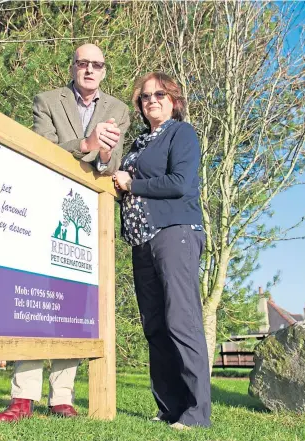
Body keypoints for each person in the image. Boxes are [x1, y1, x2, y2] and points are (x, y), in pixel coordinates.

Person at [0, 43, 130, 422]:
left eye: (97, 65)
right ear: (72, 67)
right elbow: (43, 147)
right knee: (35, 297)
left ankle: (62, 398)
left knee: (75, 305)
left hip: (87, 213)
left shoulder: (118, 110)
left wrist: (103, 155)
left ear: (105, 71)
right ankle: (23, 397)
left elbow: (111, 164)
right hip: (45, 202)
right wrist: (88, 144)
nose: (89, 70)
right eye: (83, 63)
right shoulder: (47, 100)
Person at [112, 72, 211, 429]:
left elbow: (180, 183)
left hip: (174, 233)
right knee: (155, 325)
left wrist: (132, 183)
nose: (151, 100)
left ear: (173, 100)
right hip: (141, 239)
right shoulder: (140, 143)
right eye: (144, 97)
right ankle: (170, 407)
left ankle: (197, 412)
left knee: (181, 321)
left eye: (159, 94)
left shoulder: (180, 133)